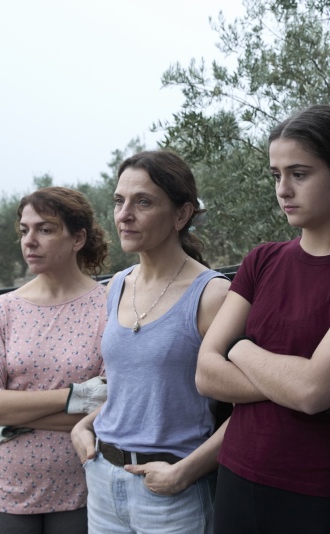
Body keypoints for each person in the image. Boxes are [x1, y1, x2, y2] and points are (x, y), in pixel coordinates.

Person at [195, 105, 330, 534]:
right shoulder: (261, 260)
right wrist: (293, 380)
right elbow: (205, 374)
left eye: (299, 174)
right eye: (276, 175)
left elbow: (313, 393)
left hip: (318, 495)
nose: (283, 190)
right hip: (235, 480)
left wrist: (240, 348)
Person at [70, 150, 230, 534]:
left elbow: (250, 412)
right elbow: (131, 390)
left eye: (142, 202)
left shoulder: (212, 295)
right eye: (119, 201)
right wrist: (85, 426)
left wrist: (185, 472)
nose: (124, 215)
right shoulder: (116, 286)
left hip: (171, 492)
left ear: (181, 214)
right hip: (103, 481)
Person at [0, 187, 110, 534]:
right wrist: (79, 396)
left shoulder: (109, 306)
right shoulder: (1, 310)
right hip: (3, 489)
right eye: (24, 230)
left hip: (85, 486)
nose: (29, 241)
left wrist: (10, 417)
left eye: (45, 229)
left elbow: (111, 407)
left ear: (78, 238)